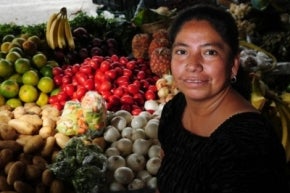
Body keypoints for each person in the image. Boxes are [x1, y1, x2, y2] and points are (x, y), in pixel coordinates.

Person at [156, 3, 290, 193]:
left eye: (209, 52)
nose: (193, 65)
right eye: (182, 52)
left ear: (233, 65)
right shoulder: (174, 110)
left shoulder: (248, 145)